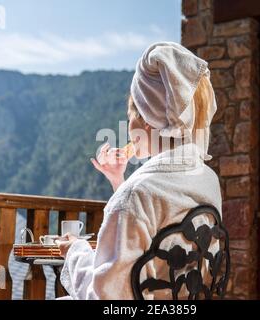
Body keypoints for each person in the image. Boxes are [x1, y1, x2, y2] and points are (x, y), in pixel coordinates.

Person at [57, 42, 222, 300]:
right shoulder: (206, 180)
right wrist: (118, 181)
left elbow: (106, 298)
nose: (128, 124)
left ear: (147, 116)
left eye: (130, 113)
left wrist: (75, 252)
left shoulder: (137, 194)